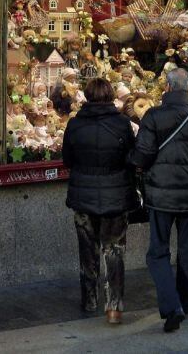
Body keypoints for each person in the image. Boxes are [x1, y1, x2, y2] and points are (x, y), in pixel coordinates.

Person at [129, 68, 188, 333]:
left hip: (160, 196)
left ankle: (172, 306)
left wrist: (131, 161)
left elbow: (142, 156)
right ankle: (185, 304)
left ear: (167, 88)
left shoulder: (153, 116)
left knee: (158, 252)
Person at [62, 77, 136, 325]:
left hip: (84, 197)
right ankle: (114, 307)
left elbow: (67, 160)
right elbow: (131, 157)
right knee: (115, 252)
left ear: (88, 96)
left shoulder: (74, 125)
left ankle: (89, 299)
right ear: (110, 96)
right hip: (116, 196)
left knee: (87, 251)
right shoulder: (123, 124)